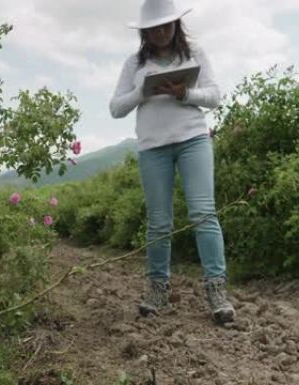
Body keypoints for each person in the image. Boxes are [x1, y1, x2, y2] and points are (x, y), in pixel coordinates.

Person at [109, 0, 235, 323]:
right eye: (154, 27)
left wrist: (185, 94)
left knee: (203, 213)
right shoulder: (133, 65)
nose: (161, 32)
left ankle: (217, 291)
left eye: (167, 25)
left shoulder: (194, 54)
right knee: (159, 221)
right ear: (144, 32)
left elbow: (215, 95)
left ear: (176, 24)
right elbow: (116, 108)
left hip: (193, 139)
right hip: (153, 147)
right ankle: (157, 289)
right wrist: (141, 92)